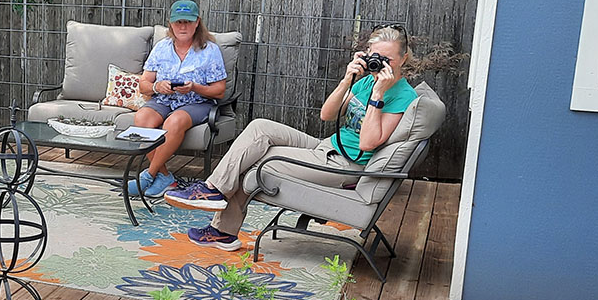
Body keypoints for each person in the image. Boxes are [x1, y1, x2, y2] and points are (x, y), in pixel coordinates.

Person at [165, 24, 416, 250]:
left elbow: (368, 143)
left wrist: (378, 95)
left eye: (388, 60)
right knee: (260, 128)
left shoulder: (402, 96)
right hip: (327, 147)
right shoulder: (365, 82)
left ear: (404, 58)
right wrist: (347, 80)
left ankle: (222, 230)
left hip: (346, 164)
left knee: (256, 162)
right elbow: (327, 115)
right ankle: (213, 190)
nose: (381, 65)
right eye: (376, 57)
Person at [128, 0, 228, 198]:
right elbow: (144, 84)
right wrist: (158, 86)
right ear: (170, 23)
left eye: (188, 22)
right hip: (165, 99)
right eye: (178, 22)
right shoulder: (162, 47)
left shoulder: (210, 50)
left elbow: (219, 91)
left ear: (197, 22)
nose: (183, 26)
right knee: (142, 119)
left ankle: (149, 174)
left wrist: (194, 87)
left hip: (197, 102)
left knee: (174, 121)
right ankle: (165, 176)